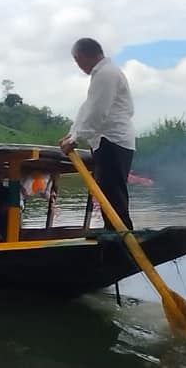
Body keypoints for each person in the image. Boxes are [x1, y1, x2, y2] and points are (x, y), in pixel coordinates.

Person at [59, 38, 135, 231]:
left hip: (112, 141)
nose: (79, 66)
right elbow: (87, 108)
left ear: (82, 57)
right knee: (107, 194)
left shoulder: (106, 74)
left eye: (77, 61)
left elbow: (97, 112)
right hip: (107, 142)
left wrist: (75, 140)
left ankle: (124, 239)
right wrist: (71, 134)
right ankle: (117, 235)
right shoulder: (102, 74)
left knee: (113, 196)